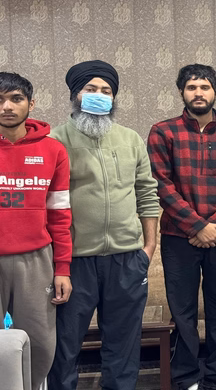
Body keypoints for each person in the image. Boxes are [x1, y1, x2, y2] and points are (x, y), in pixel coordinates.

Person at [48, 60, 160, 390]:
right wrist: (57, 262)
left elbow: (147, 193)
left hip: (127, 259)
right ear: (75, 95)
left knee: (124, 343)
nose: (99, 95)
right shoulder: (54, 141)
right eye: (91, 89)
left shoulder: (130, 139)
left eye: (106, 91)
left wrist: (148, 247)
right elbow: (47, 204)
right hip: (74, 261)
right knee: (64, 344)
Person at [147, 64, 216, 390]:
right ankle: (186, 376)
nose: (198, 93)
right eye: (191, 87)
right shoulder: (163, 132)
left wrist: (214, 225)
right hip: (179, 236)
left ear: (215, 92)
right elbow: (161, 185)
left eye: (204, 87)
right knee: (183, 311)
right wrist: (196, 226)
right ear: (182, 92)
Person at [0, 72, 72, 390]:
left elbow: (60, 215)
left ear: (31, 104)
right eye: (0, 100)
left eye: (16, 99)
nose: (7, 107)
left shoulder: (53, 150)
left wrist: (63, 268)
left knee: (41, 344)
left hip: (36, 259)